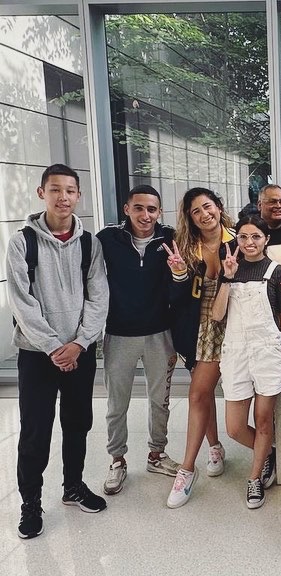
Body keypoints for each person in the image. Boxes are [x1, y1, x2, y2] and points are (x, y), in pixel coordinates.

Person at [7, 164, 109, 539]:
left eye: (69, 190)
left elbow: (99, 297)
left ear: (78, 195)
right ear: (41, 193)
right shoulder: (22, 242)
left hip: (79, 351)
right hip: (37, 354)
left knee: (78, 423)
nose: (63, 197)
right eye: (55, 190)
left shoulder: (89, 243)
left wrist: (79, 343)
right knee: (35, 430)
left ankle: (73, 486)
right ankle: (30, 503)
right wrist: (53, 347)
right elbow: (22, 301)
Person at [211, 215, 281, 509]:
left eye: (256, 237)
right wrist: (226, 277)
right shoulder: (229, 268)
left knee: (263, 420)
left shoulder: (278, 271)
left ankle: (254, 479)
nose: (249, 243)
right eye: (244, 237)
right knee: (235, 427)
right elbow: (217, 315)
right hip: (235, 352)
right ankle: (269, 452)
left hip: (268, 352)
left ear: (266, 239)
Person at [98, 185, 179, 497]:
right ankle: (117, 460)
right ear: (126, 209)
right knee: (117, 403)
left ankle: (156, 454)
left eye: (152, 209)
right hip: (119, 333)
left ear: (159, 212)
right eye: (140, 208)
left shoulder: (169, 238)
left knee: (160, 400)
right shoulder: (108, 239)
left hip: (160, 333)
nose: (146, 215)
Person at [164, 187, 235, 508]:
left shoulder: (238, 238)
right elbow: (176, 298)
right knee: (200, 393)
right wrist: (179, 272)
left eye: (208, 207)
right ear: (190, 218)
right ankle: (197, 461)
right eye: (196, 211)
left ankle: (199, 460)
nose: (204, 214)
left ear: (219, 207)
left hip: (236, 324)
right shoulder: (186, 249)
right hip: (200, 327)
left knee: (203, 392)